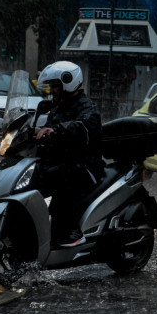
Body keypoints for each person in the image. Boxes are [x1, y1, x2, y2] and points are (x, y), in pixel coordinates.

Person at [35, 61, 103, 247]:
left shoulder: (87, 108)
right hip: (64, 162)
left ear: (68, 83)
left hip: (86, 166)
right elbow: (49, 129)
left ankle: (70, 233)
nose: (52, 91)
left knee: (63, 182)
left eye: (55, 86)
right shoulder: (58, 107)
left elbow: (82, 127)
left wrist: (55, 131)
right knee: (35, 178)